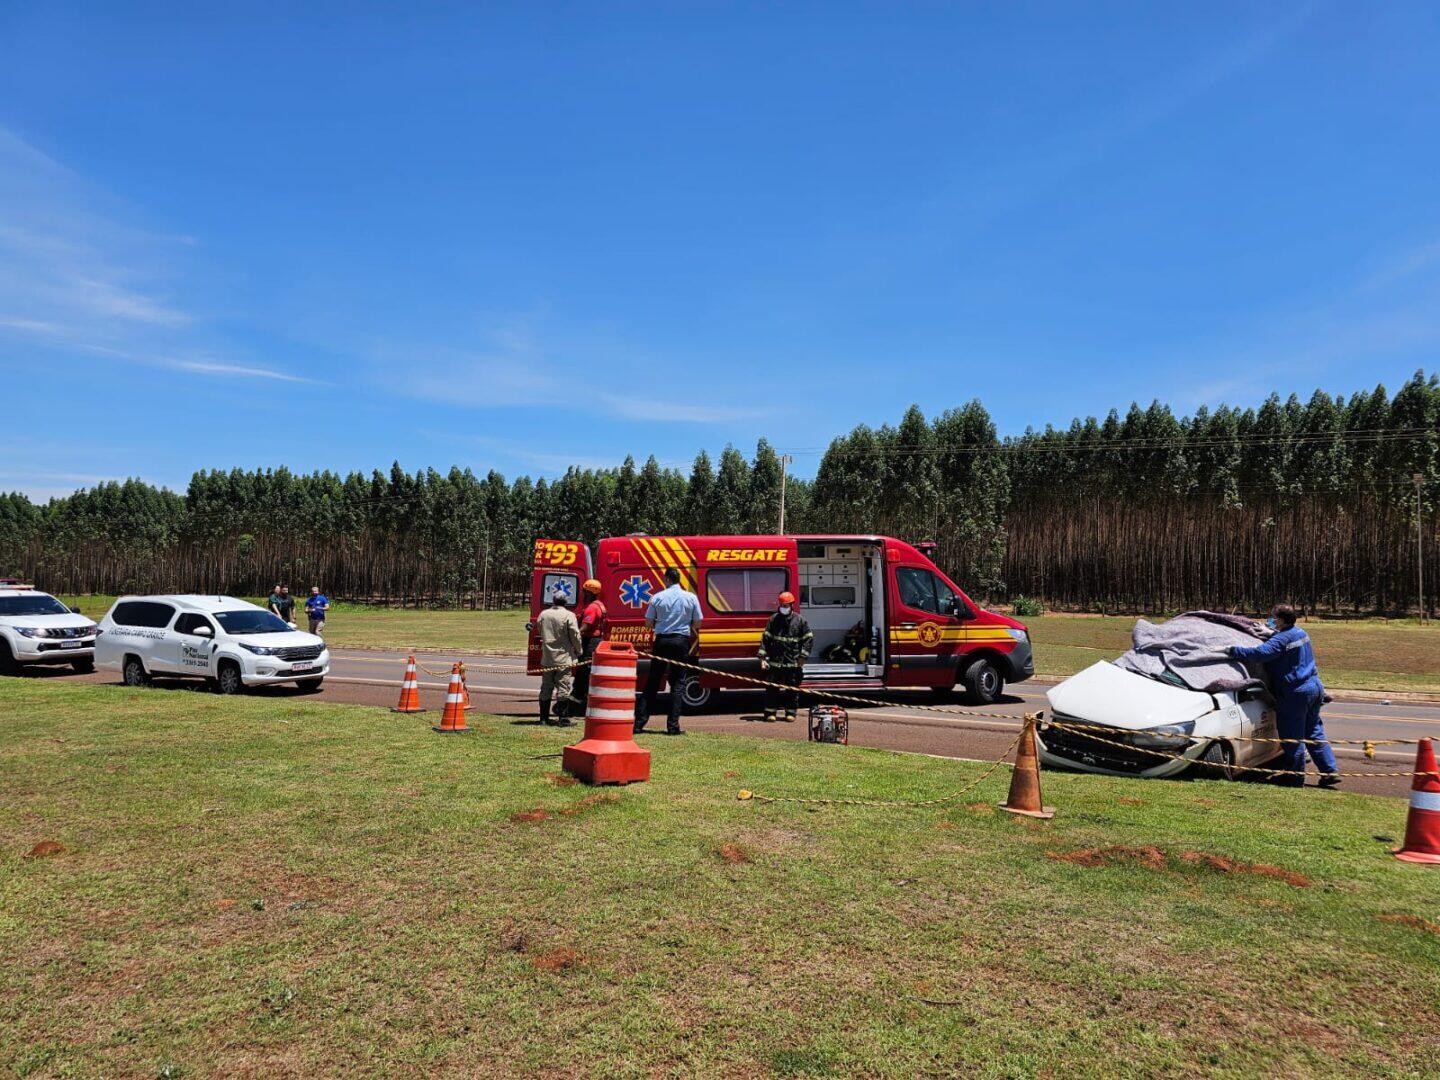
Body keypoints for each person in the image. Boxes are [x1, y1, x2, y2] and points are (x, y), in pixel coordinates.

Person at [1229, 604, 1339, 788]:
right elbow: (1283, 643)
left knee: (1292, 736)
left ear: (1280, 619)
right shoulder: (1300, 633)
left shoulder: (1281, 639)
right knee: (1313, 731)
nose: (1270, 619)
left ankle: (1294, 778)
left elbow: (1260, 654)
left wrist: (1233, 651)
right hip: (1314, 686)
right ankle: (1329, 771)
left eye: (1273, 617)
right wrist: (1271, 633)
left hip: (1296, 693)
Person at [634, 566, 702, 736]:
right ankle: (673, 727)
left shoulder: (657, 597)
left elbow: (648, 623)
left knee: (652, 683)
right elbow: (698, 623)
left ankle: (639, 724)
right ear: (679, 579)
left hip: (662, 641)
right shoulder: (691, 597)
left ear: (667, 579)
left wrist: (661, 624)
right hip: (681, 642)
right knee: (678, 685)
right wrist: (684, 625)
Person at [757, 591, 813, 723]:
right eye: (782, 605)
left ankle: (790, 713)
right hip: (776, 662)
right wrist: (762, 658)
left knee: (792, 689)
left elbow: (808, 639)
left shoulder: (800, 621)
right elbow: (766, 639)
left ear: (792, 605)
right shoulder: (773, 619)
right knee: (772, 688)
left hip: (793, 663)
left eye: (786, 605)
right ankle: (770, 713)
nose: (784, 607)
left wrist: (803, 657)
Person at [535, 589, 582, 726]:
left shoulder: (543, 614)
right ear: (565, 602)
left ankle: (543, 718)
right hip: (563, 657)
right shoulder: (569, 615)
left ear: (553, 601)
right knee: (563, 686)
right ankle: (563, 718)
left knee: (546, 686)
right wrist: (578, 650)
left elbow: (539, 628)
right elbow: (575, 634)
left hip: (547, 657)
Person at [570, 578, 607, 713]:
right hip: (595, 641)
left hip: (590, 643)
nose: (582, 594)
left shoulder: (592, 608)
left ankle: (579, 704)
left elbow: (585, 628)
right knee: (584, 674)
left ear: (589, 593)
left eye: (584, 592)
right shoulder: (599, 605)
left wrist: (572, 637)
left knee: (583, 674)